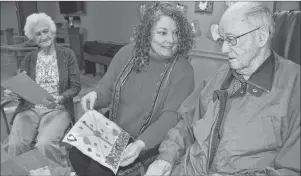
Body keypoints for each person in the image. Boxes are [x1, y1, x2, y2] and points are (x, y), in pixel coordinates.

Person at [146, 2, 300, 176]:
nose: (225, 49)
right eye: (222, 40)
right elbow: (186, 123)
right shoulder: (221, 75)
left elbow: (292, 170)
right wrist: (165, 158)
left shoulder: (295, 87)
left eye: (232, 39)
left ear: (262, 37)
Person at [69, 2, 195, 176]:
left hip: (147, 141)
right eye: (162, 33)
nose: (171, 40)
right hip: (113, 130)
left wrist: (140, 144)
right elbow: (108, 88)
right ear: (147, 32)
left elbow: (171, 117)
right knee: (75, 154)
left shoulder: (183, 69)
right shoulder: (126, 53)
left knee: (98, 170)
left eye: (176, 33)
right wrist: (95, 95)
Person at [2, 13, 81, 167]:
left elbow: (76, 87)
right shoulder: (28, 59)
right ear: (33, 38)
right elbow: (22, 86)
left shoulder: (67, 55)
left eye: (46, 31)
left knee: (44, 144)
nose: (43, 36)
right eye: (38, 34)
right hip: (29, 108)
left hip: (57, 108)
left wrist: (61, 97)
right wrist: (13, 93)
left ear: (53, 32)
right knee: (15, 144)